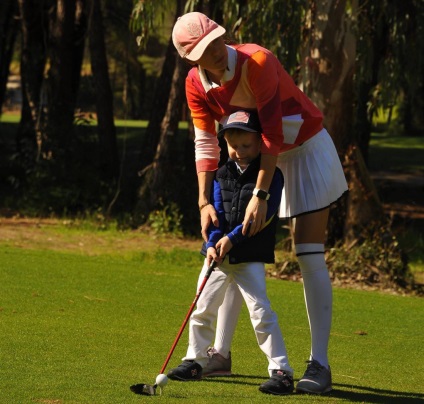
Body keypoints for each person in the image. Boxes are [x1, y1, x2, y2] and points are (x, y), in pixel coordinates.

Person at [172, 12, 348, 394]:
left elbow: (271, 133)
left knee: (308, 252)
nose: (216, 52)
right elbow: (206, 142)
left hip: (303, 149)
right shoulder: (195, 84)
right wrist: (204, 201)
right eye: (204, 50)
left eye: (217, 41)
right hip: (258, 157)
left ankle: (319, 364)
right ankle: (218, 354)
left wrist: (260, 195)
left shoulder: (258, 62)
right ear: (191, 58)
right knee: (240, 253)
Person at [167, 110, 294, 395]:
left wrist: (232, 240)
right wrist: (213, 241)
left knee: (261, 312)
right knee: (202, 308)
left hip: (248, 255)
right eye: (232, 145)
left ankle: (281, 371)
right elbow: (215, 214)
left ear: (261, 143)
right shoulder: (221, 173)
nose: (238, 152)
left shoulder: (270, 176)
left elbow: (263, 217)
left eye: (246, 146)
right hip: (217, 256)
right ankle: (195, 360)